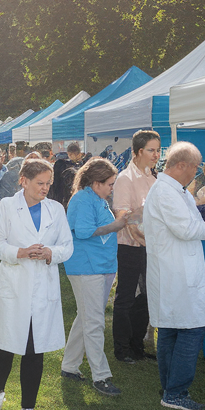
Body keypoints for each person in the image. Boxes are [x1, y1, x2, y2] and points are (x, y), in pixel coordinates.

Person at [0, 159, 74, 410]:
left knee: (35, 349)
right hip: (14, 284)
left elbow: (67, 247)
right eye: (40, 183)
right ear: (24, 180)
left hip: (43, 287)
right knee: (7, 343)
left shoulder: (56, 209)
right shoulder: (8, 207)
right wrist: (20, 252)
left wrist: (50, 253)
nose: (45, 188)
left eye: (49, 184)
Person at [145, 142, 205, 410]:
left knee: (172, 328)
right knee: (191, 328)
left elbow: (187, 218)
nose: (198, 172)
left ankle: (169, 386)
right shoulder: (165, 192)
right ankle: (176, 392)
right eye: (196, 166)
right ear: (181, 165)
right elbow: (184, 228)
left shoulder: (173, 190)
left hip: (176, 269)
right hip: (176, 271)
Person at [61, 158, 130, 397]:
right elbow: (84, 232)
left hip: (101, 265)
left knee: (87, 318)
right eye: (110, 184)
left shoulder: (98, 199)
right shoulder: (82, 199)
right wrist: (117, 225)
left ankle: (69, 366)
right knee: (94, 322)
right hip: (86, 266)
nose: (112, 188)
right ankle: (101, 376)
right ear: (96, 182)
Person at [112, 130, 160, 364]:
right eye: (152, 150)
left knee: (150, 295)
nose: (156, 155)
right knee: (126, 296)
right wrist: (138, 218)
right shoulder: (125, 178)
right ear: (139, 151)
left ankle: (137, 344)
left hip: (150, 246)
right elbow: (122, 213)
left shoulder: (154, 178)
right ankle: (122, 348)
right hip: (129, 245)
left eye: (158, 150)